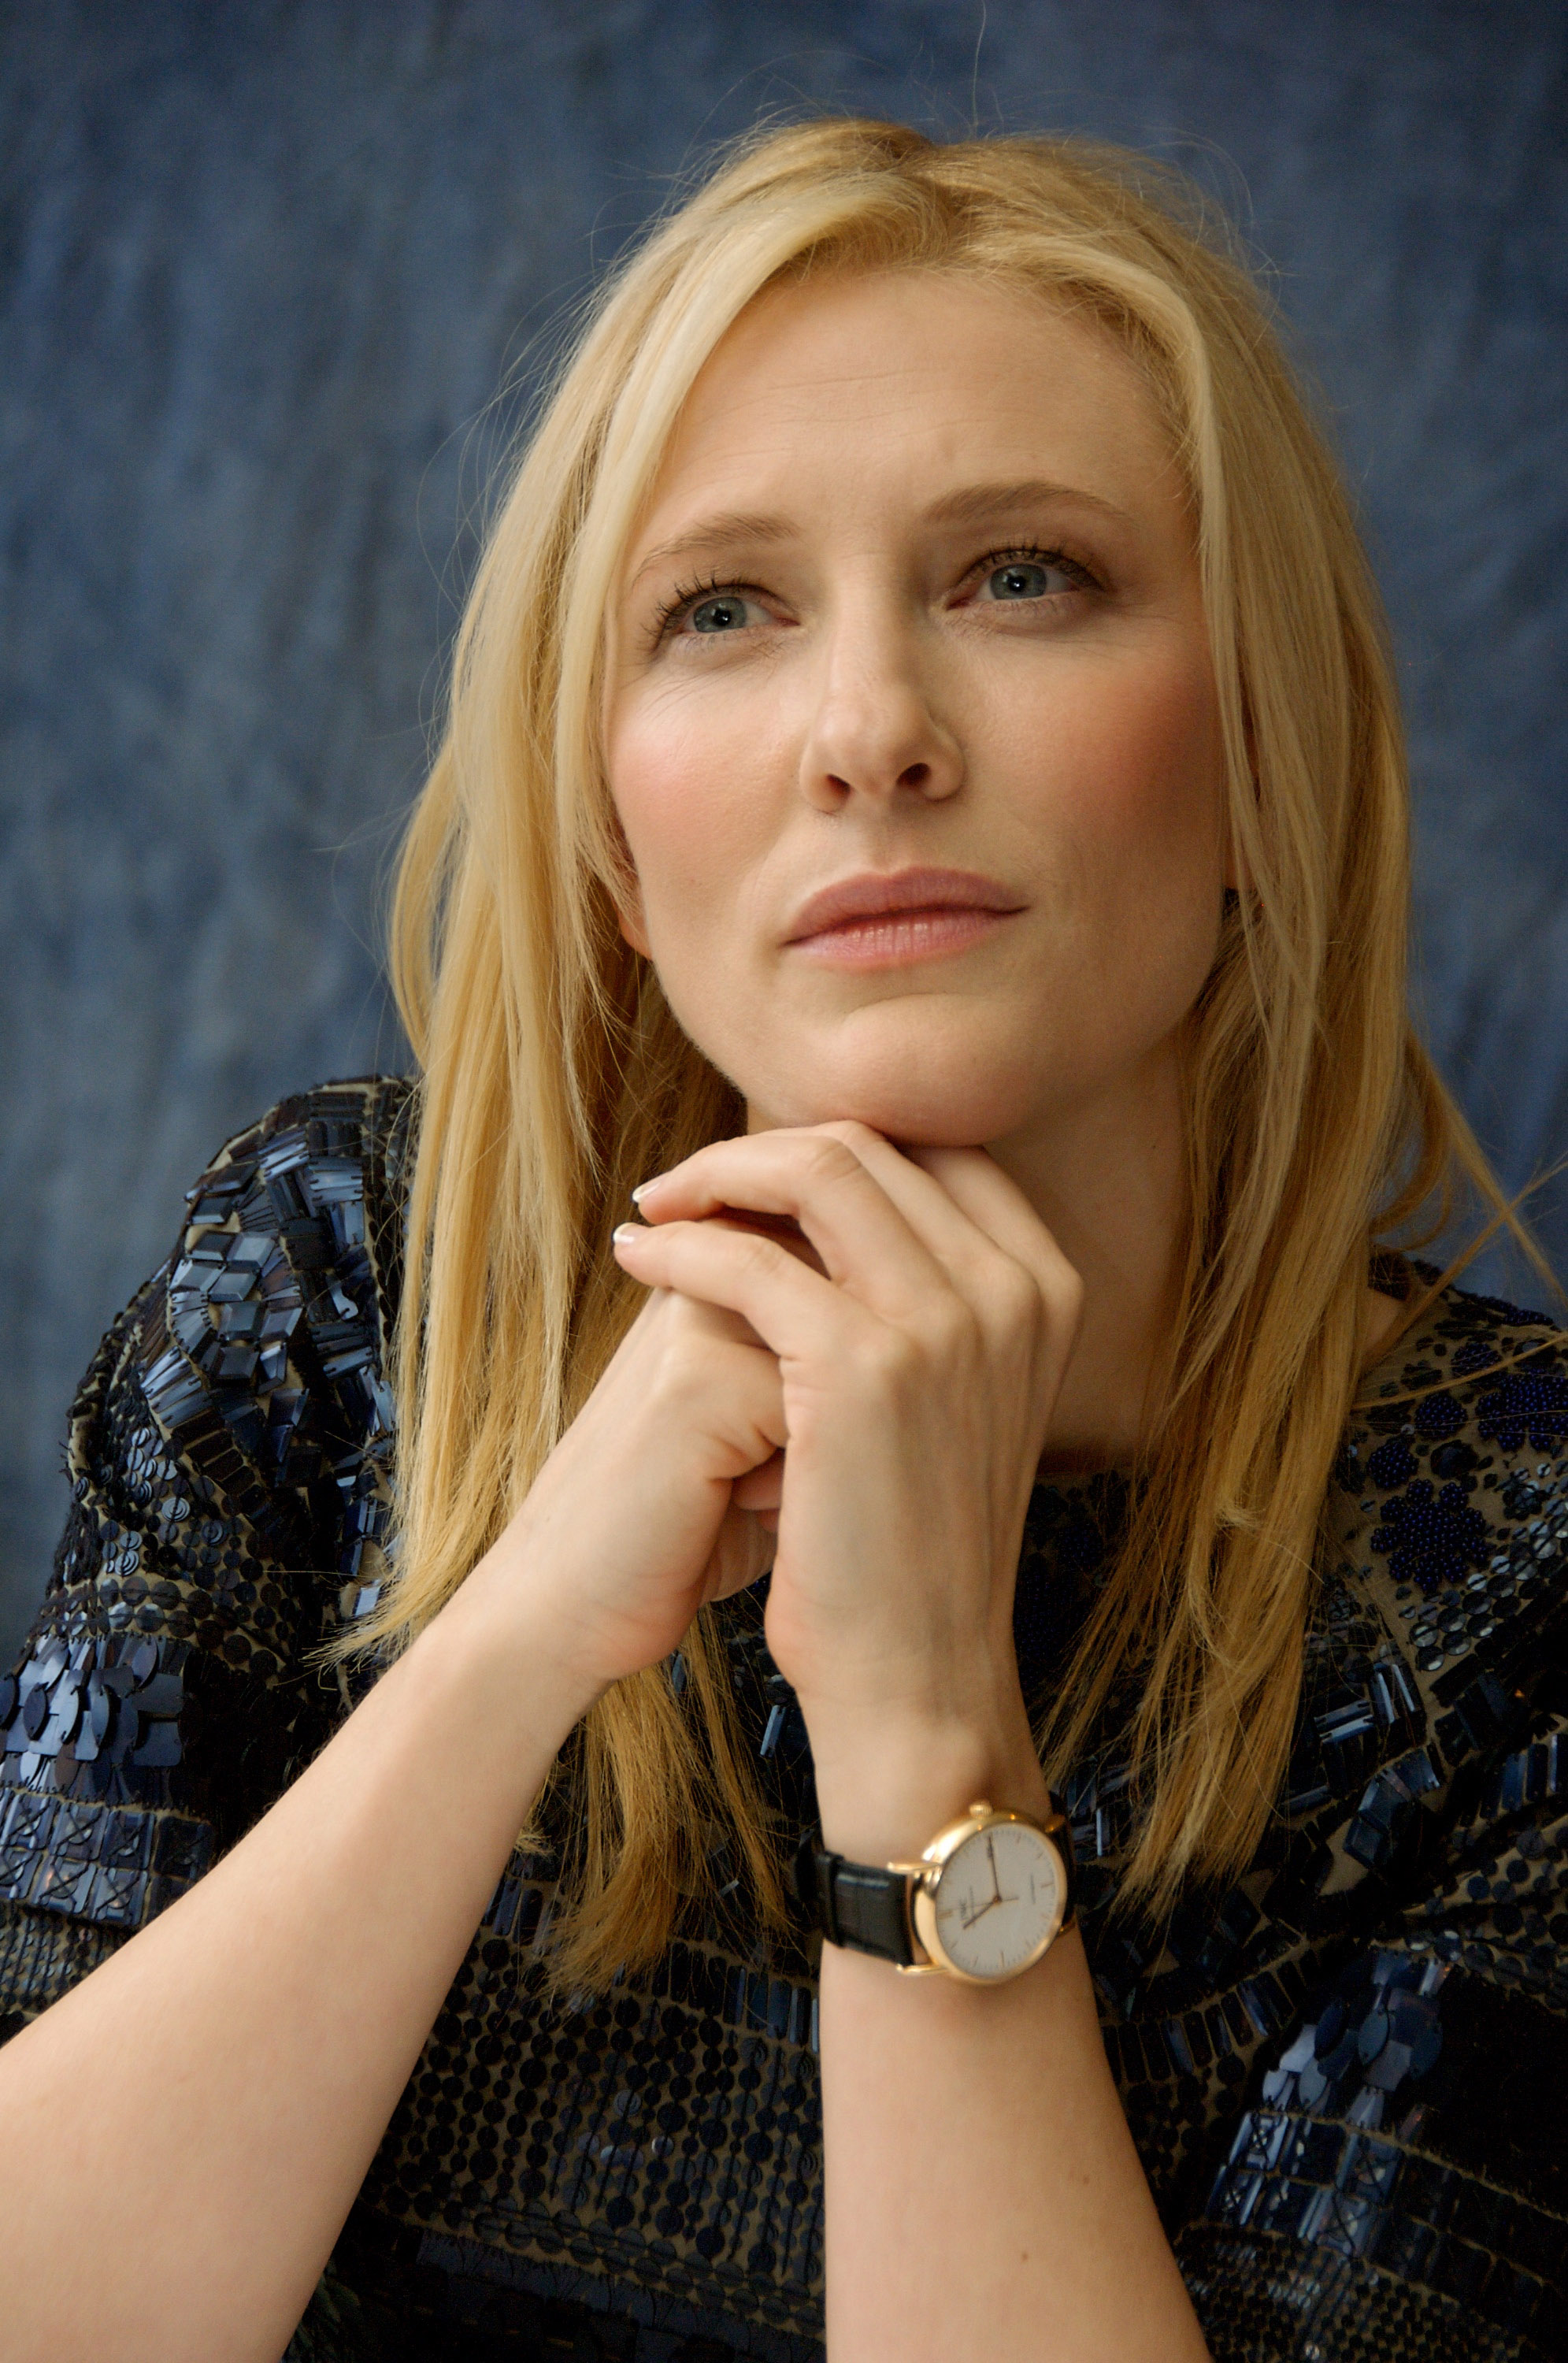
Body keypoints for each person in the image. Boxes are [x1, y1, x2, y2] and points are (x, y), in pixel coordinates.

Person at [0, 115, 1563, 2363]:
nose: (871, 734)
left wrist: (928, 1736)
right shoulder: (333, 1294)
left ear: (1262, 746)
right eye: (722, 609)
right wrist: (521, 1630)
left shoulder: (1524, 1585)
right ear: (612, 841)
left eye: (1023, 576)